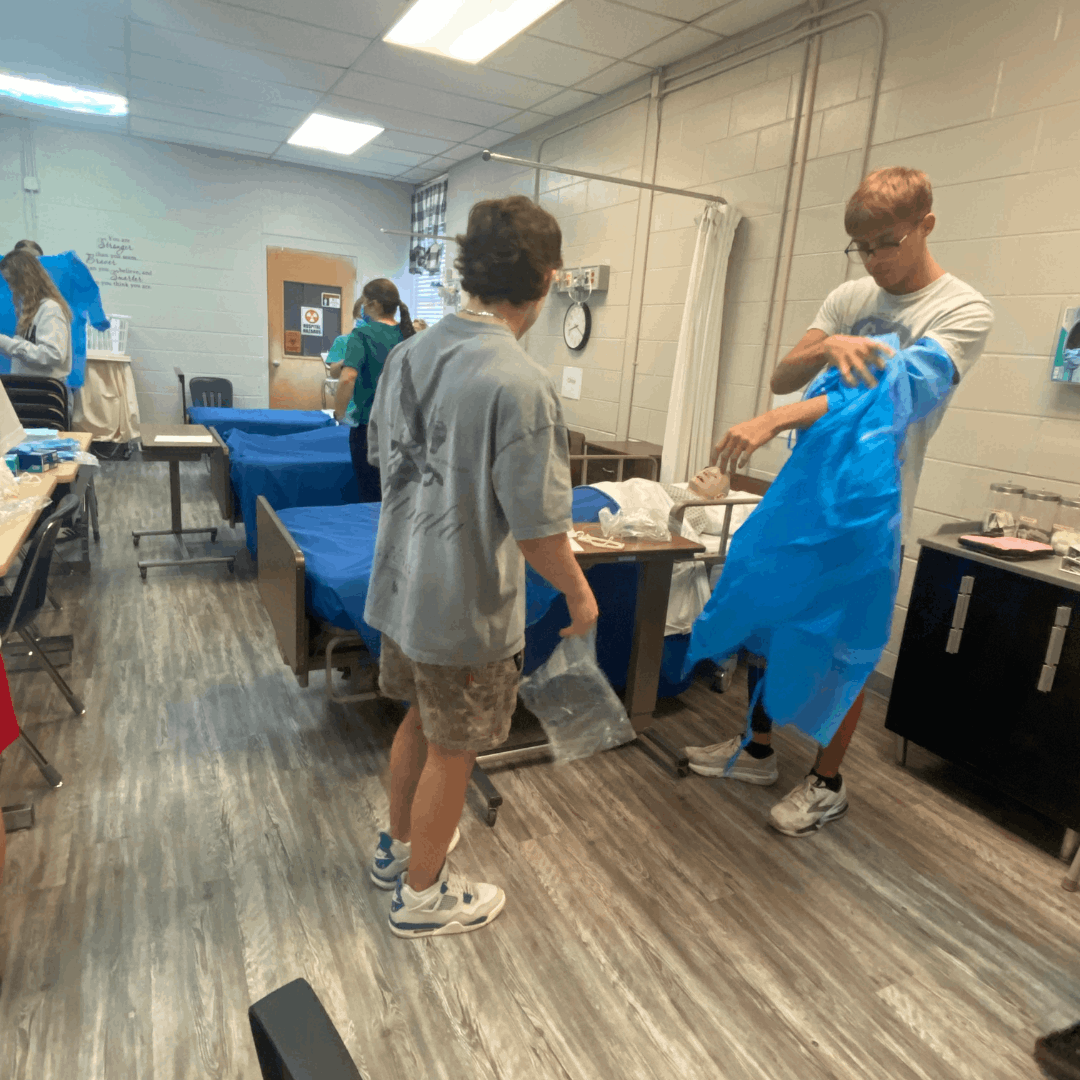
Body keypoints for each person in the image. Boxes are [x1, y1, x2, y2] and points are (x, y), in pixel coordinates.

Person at [685, 166, 993, 836]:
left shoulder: (961, 311)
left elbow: (889, 395)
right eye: (863, 247)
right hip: (806, 495)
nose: (876, 260)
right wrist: (830, 341)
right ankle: (759, 751)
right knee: (768, 617)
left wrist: (774, 420)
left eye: (888, 243)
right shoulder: (853, 295)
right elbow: (783, 372)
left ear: (926, 226)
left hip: (871, 510)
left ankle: (827, 781)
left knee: (843, 644)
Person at [365, 195, 598, 938]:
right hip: (460, 605)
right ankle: (423, 896)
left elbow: (384, 460)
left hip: (401, 585)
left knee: (417, 719)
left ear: (468, 268)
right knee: (455, 745)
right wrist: (581, 595)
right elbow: (538, 533)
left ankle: (398, 849)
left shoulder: (407, 353)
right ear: (550, 278)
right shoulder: (521, 384)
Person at [333, 279, 414, 502]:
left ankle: (371, 537)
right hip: (404, 429)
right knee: (397, 497)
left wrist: (339, 414)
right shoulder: (409, 335)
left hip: (370, 427)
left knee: (370, 496)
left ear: (375, 305)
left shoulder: (362, 335)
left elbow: (348, 378)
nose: (364, 309)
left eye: (366, 304)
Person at [0, 249, 73, 381]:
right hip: (30, 388)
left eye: (11, 281)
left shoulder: (50, 309)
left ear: (26, 279)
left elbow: (53, 355)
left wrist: (6, 343)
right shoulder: (31, 310)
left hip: (45, 392)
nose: (10, 287)